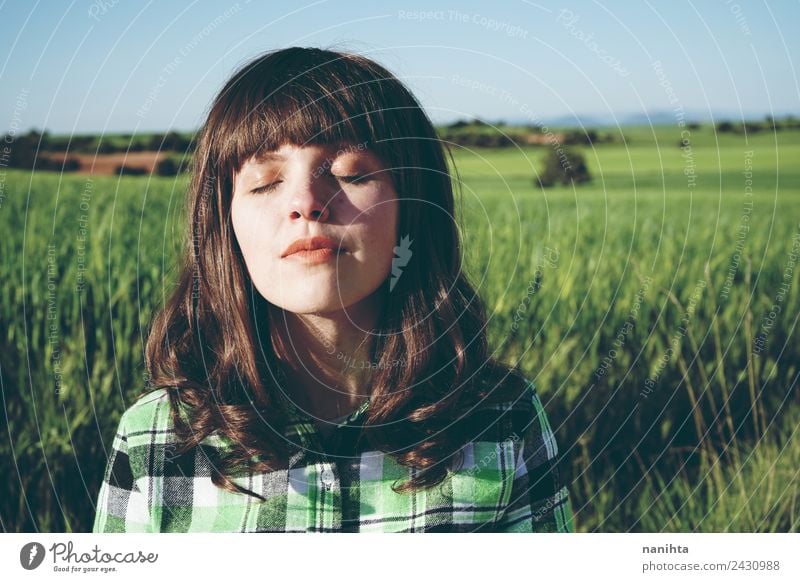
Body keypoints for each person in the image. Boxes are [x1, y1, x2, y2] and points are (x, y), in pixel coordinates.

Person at [92, 46, 575, 533]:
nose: (306, 203)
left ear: (415, 209)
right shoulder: (155, 437)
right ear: (224, 227)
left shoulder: (502, 420)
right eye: (264, 182)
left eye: (350, 173)